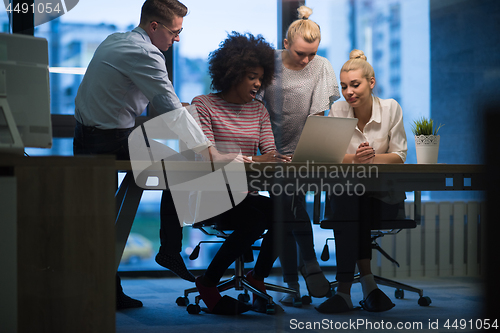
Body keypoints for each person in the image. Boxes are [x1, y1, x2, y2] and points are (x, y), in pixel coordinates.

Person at [73, 0, 216, 309]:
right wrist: (207, 150)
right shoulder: (146, 53)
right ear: (154, 27)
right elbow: (169, 106)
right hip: (107, 139)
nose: (177, 39)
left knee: (98, 220)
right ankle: (169, 249)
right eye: (175, 32)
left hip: (86, 135)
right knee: (184, 162)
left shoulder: (116, 39)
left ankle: (107, 291)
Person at [192, 31, 299, 315]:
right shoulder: (203, 105)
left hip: (244, 194)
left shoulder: (259, 110)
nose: (257, 83)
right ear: (232, 72)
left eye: (261, 77)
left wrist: (281, 159)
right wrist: (255, 159)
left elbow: (270, 153)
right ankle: (208, 282)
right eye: (251, 75)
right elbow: (208, 156)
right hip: (210, 197)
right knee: (253, 220)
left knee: (285, 211)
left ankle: (257, 278)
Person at [257, 5, 339, 304]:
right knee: (288, 207)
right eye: (300, 53)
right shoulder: (267, 64)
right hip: (268, 151)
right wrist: (270, 151)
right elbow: (253, 107)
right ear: (286, 43)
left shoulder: (321, 66)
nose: (306, 60)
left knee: (286, 208)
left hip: (303, 153)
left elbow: (320, 114)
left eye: (311, 54)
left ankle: (292, 283)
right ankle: (309, 265)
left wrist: (309, 153)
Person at [315, 49, 407, 314]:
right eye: (344, 86)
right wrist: (354, 161)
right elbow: (328, 156)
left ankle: (344, 292)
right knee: (351, 200)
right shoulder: (338, 109)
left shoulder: (391, 108)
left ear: (371, 82)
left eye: (355, 85)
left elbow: (399, 155)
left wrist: (373, 158)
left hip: (383, 198)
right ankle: (368, 286)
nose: (348, 92)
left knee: (352, 208)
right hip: (348, 196)